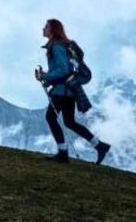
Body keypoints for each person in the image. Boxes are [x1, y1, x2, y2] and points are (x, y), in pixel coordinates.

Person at [35, 18, 111, 164]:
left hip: (62, 91)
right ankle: (100, 145)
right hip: (70, 90)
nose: (43, 29)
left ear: (53, 30)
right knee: (69, 122)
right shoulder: (62, 45)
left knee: (51, 118)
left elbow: (63, 70)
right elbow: (64, 70)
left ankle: (63, 153)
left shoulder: (56, 47)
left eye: (46, 27)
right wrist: (46, 77)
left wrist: (45, 76)